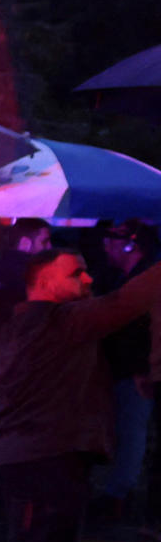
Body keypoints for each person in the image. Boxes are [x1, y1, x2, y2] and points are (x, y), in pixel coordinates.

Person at [0, 242, 161, 542]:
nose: (88, 278)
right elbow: (126, 301)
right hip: (38, 454)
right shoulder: (57, 324)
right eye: (76, 273)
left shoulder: (35, 324)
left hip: (46, 453)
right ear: (45, 282)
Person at [88, 222, 155, 523]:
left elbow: (146, 329)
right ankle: (115, 490)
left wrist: (143, 369)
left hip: (136, 372)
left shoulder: (145, 279)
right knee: (123, 432)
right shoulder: (120, 277)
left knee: (131, 432)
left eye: (111, 241)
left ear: (129, 245)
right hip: (121, 368)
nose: (106, 247)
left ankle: (118, 494)